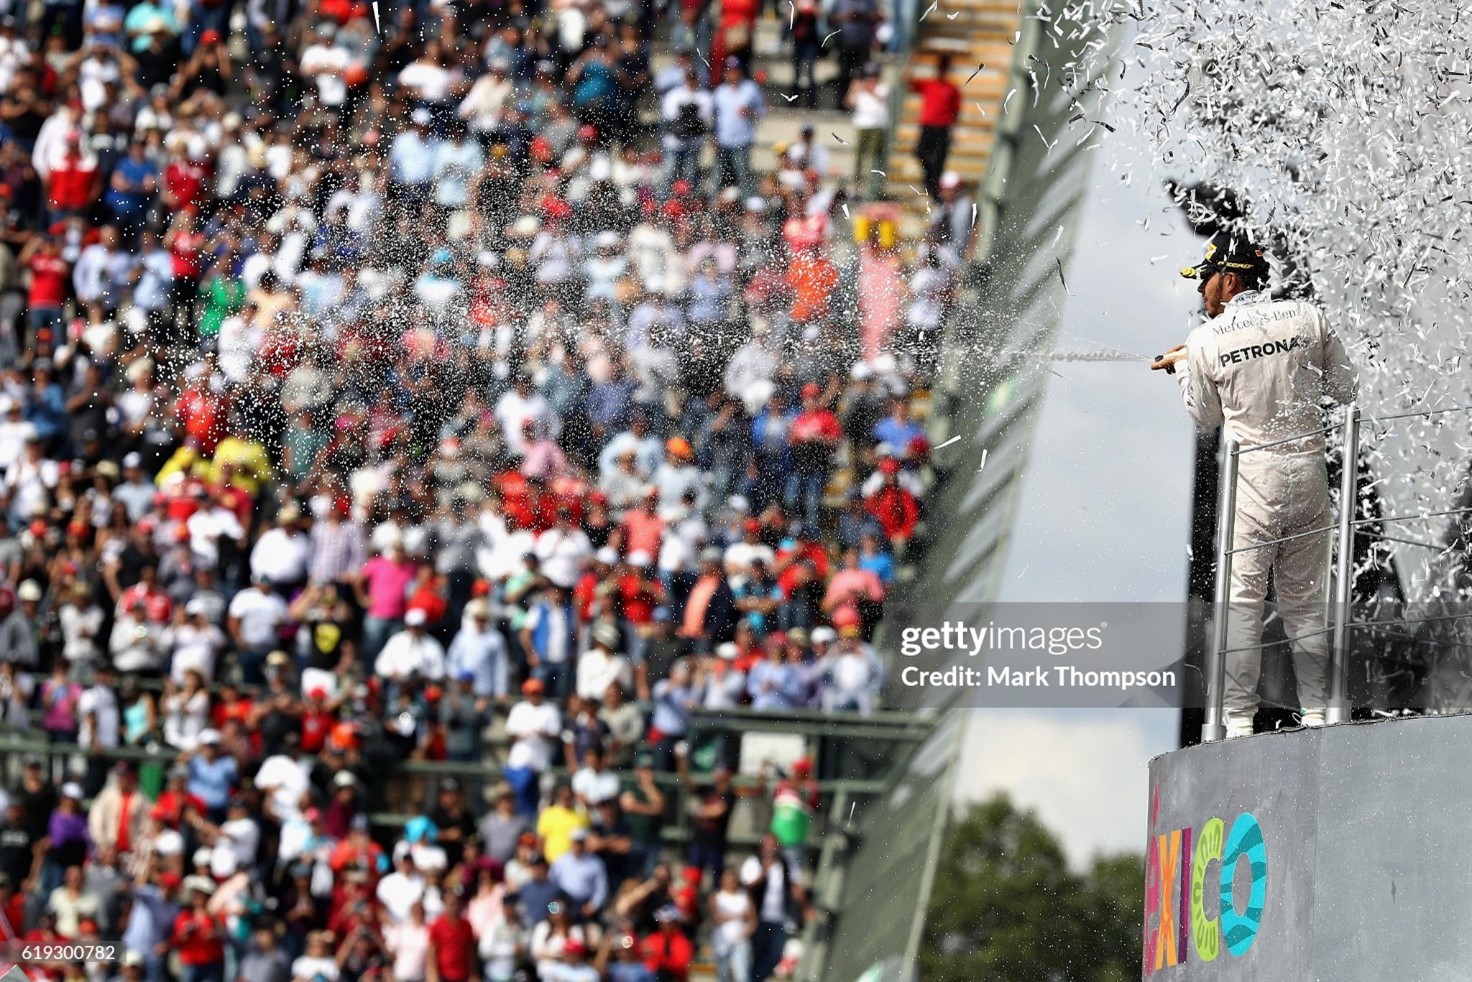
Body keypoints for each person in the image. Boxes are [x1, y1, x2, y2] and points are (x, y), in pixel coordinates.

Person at [1159, 233, 1358, 737]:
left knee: (1243, 601)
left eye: (1204, 280)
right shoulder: (1307, 316)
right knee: (1306, 605)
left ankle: (1239, 722)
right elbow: (1345, 388)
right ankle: (1318, 716)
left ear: (1228, 279)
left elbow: (1204, 416)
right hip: (1310, 475)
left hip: (1255, 484)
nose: (1200, 292)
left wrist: (1184, 367)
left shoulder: (1205, 340)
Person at [908, 54, 961, 200]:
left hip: (942, 128)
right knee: (921, 153)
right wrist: (913, 60)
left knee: (938, 161)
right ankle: (930, 185)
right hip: (928, 126)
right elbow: (906, 80)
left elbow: (955, 112)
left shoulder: (952, 89)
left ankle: (936, 194)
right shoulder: (929, 84)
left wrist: (953, 132)